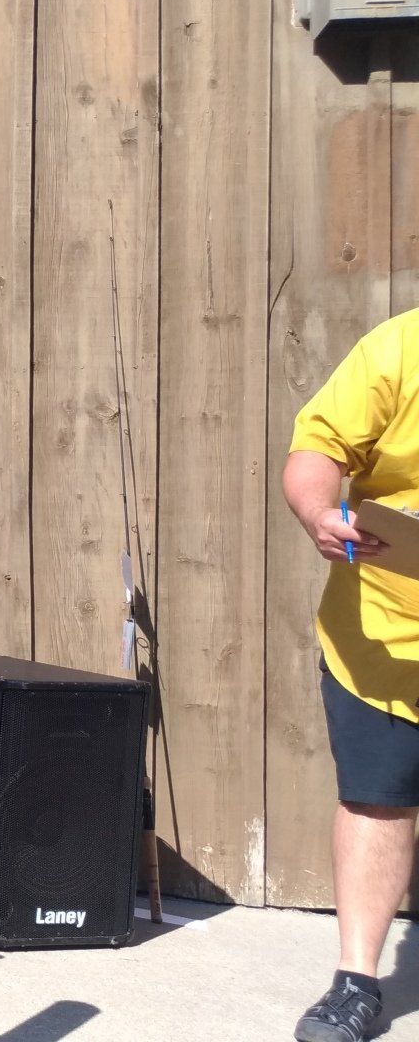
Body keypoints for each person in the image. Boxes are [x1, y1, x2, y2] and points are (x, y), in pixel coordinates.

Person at [285, 306, 419, 1042]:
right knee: (377, 801)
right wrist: (318, 514)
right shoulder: (400, 347)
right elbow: (318, 449)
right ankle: (357, 982)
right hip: (381, 636)